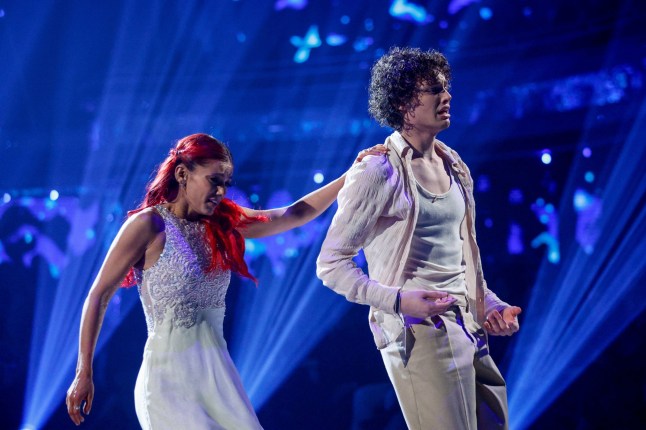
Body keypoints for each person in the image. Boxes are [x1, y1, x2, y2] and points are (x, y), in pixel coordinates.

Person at [65, 133, 385, 429]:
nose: (221, 191)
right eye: (214, 181)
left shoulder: (223, 222)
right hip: (168, 384)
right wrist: (84, 371)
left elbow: (291, 215)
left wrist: (350, 176)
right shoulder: (148, 225)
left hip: (219, 380)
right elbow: (98, 296)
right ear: (182, 174)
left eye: (226, 183)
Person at [316, 47, 522, 430]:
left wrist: (490, 304)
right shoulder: (377, 171)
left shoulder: (454, 164)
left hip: (470, 327)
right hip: (420, 334)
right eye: (435, 89)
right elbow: (330, 264)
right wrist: (395, 300)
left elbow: (460, 258)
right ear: (404, 105)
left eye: (446, 87)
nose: (447, 96)